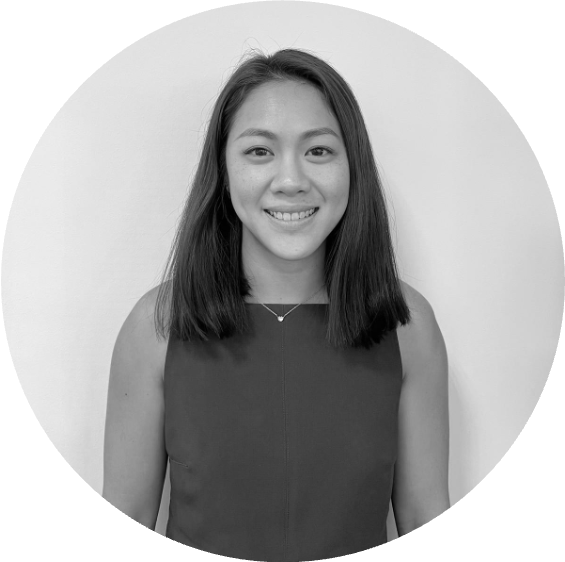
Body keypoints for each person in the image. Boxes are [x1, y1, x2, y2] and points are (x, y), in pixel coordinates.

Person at [102, 49, 450, 559]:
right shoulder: (156, 326)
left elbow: (423, 515)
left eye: (319, 151)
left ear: (352, 166)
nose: (290, 181)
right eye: (260, 151)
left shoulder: (408, 326)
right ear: (223, 170)